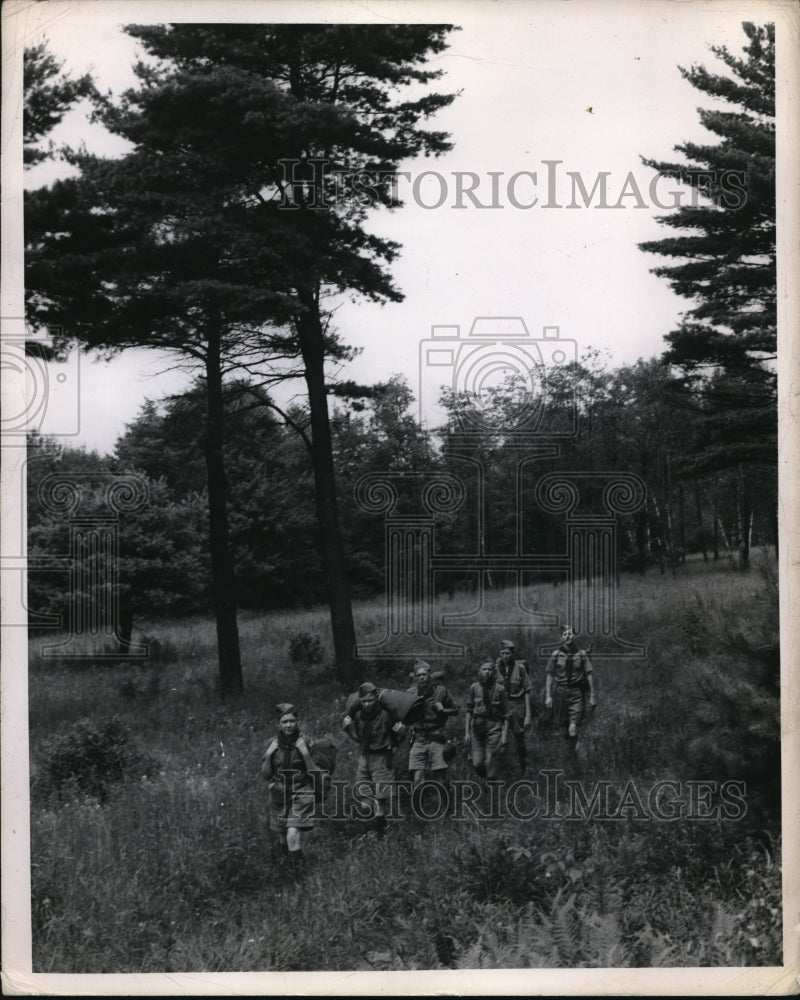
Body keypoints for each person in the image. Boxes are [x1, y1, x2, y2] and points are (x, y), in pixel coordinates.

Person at [261, 703, 320, 875]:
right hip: (279, 794)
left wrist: (305, 753)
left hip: (301, 792)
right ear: (278, 724)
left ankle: (299, 878)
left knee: (292, 834)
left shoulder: (305, 742)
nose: (289, 725)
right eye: (284, 721)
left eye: (292, 721)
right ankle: (287, 874)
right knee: (282, 837)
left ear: (298, 721)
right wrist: (268, 755)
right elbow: (266, 775)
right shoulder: (272, 744)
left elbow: (315, 772)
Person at [342, 681, 405, 835]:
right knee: (364, 799)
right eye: (364, 701)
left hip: (382, 758)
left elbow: (398, 737)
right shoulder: (358, 715)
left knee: (380, 800)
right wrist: (348, 729)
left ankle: (380, 833)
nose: (367, 704)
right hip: (365, 757)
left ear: (376, 699)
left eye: (370, 700)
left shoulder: (385, 715)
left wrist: (401, 733)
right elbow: (359, 739)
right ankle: (371, 828)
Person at [406, 659, 459, 798]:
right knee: (417, 777)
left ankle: (446, 807)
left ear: (430, 675)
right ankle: (418, 812)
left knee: (440, 775)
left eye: (424, 674)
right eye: (419, 675)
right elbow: (402, 714)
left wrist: (444, 710)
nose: (422, 677)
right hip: (418, 738)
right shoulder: (410, 693)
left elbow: (456, 709)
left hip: (437, 736)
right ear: (416, 678)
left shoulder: (441, 691)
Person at [544, 625, 596, 754]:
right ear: (561, 637)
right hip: (560, 693)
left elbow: (589, 675)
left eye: (570, 634)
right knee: (563, 726)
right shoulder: (556, 655)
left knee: (573, 726)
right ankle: (571, 748)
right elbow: (550, 675)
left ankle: (572, 757)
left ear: (574, 636)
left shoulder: (582, 654)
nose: (568, 636)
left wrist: (592, 696)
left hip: (576, 693)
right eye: (565, 634)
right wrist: (548, 696)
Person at [465, 661, 510, 780]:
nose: (487, 672)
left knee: (490, 760)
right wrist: (467, 732)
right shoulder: (474, 688)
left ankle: (491, 784)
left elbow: (506, 715)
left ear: (494, 672)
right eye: (484, 669)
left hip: (494, 726)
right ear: (479, 671)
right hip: (477, 727)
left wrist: (504, 736)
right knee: (477, 763)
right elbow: (469, 710)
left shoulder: (500, 689)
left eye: (489, 669)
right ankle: (486, 778)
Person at [494, 639, 533, 771]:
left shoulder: (520, 668)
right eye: (502, 653)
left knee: (519, 738)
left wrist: (528, 715)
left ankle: (523, 765)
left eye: (508, 653)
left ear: (512, 653)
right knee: (499, 737)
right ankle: (501, 768)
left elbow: (527, 690)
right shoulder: (495, 669)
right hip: (500, 706)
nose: (505, 656)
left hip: (517, 705)